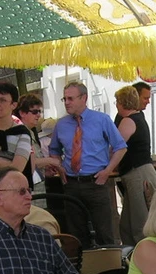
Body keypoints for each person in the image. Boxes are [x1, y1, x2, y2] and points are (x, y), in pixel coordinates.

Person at [46, 82, 127, 246]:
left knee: (104, 232)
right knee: (76, 235)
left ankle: (108, 268)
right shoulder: (61, 124)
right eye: (64, 99)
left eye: (70, 98)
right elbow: (54, 149)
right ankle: (83, 269)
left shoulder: (101, 120)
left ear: (84, 98)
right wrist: (59, 167)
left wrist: (108, 171)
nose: (67, 102)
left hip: (96, 182)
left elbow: (121, 147)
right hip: (71, 183)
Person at [113, 85, 156, 245]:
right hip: (137, 172)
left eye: (117, 101)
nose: (116, 105)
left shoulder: (129, 121)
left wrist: (106, 169)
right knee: (127, 224)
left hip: (138, 173)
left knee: (139, 223)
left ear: (122, 102)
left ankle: (148, 259)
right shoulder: (137, 117)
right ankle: (132, 256)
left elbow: (116, 148)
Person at [0, 82, 36, 188]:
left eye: (2, 100)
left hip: (12, 191)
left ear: (14, 105)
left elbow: (16, 169)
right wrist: (1, 162)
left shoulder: (23, 133)